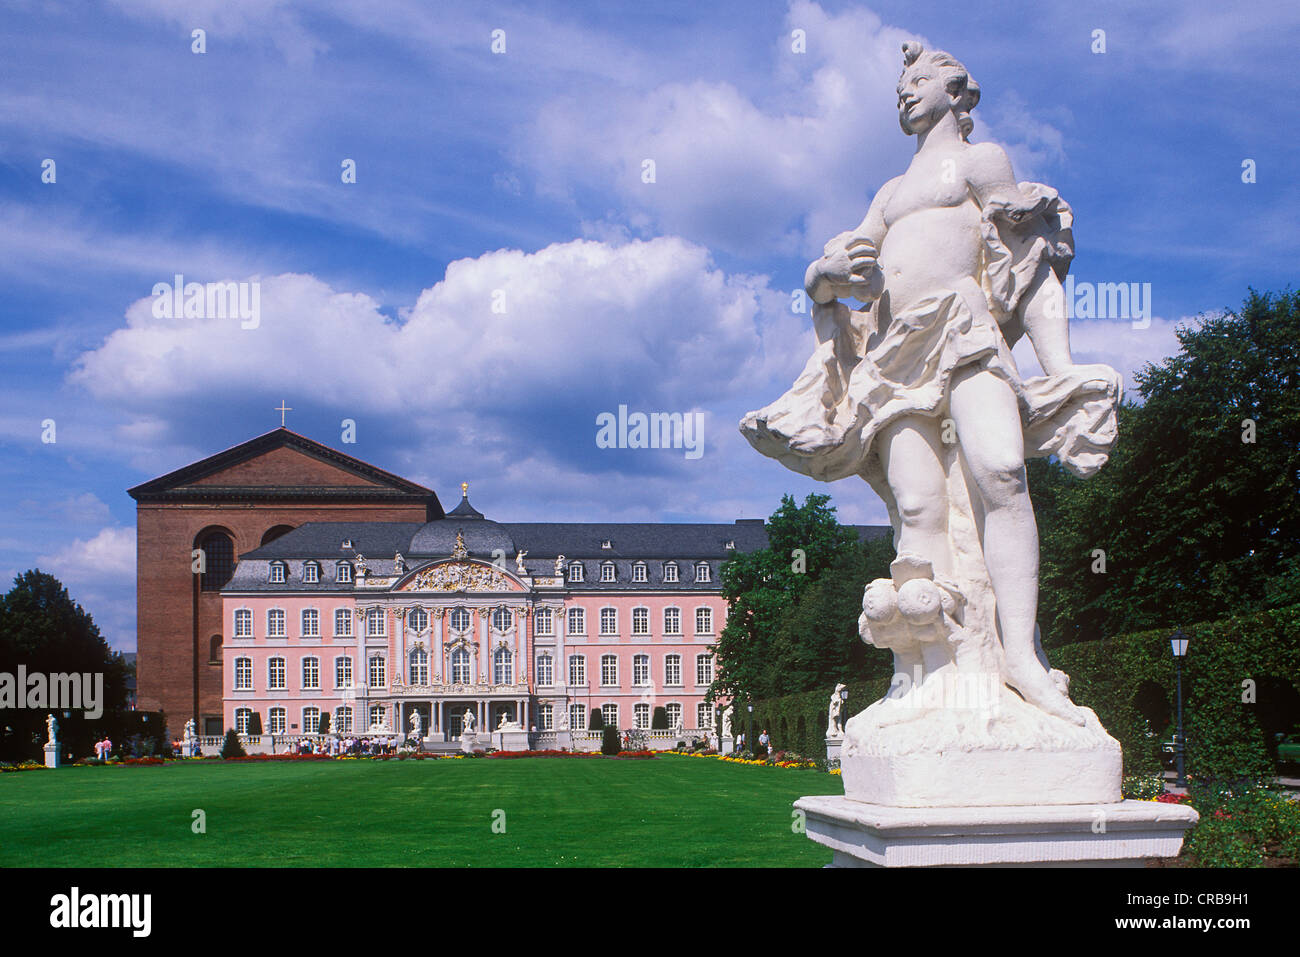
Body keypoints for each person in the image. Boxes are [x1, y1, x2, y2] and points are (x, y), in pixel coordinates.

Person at [742, 41, 1121, 725]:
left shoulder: (981, 161)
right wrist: (824, 278)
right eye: (900, 86)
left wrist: (1058, 364)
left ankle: (1020, 658)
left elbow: (1028, 261)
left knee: (1001, 471)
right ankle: (924, 671)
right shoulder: (889, 194)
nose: (905, 91)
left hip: (965, 328)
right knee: (916, 510)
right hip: (894, 356)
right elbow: (827, 274)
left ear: (957, 91)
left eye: (918, 80)